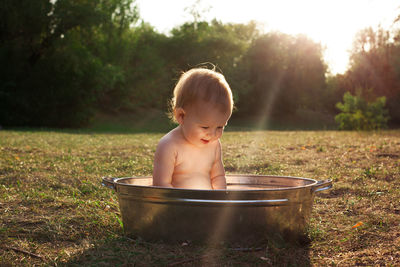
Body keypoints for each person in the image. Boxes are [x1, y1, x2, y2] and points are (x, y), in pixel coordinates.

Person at [152, 67, 234, 189]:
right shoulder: (169, 145)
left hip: (207, 205)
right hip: (178, 205)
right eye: (205, 127)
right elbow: (161, 185)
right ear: (181, 116)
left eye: (220, 127)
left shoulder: (214, 144)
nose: (212, 134)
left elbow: (218, 176)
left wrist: (220, 198)